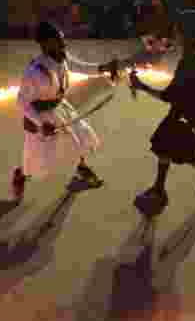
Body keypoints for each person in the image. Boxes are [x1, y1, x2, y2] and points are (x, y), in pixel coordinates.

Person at [11, 21, 123, 201]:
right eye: (58, 38)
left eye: (61, 37)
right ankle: (20, 175)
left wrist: (104, 67)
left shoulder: (61, 57)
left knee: (79, 138)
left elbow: (81, 67)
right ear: (46, 43)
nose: (63, 41)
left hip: (60, 109)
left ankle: (80, 168)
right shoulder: (34, 71)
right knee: (36, 157)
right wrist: (42, 124)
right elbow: (22, 102)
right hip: (40, 118)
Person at [129, 10, 195, 212]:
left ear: (183, 33)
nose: (175, 34)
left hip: (188, 114)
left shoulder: (189, 61)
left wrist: (141, 86)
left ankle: (159, 191)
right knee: (180, 150)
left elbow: (168, 96)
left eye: (177, 30)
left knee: (167, 146)